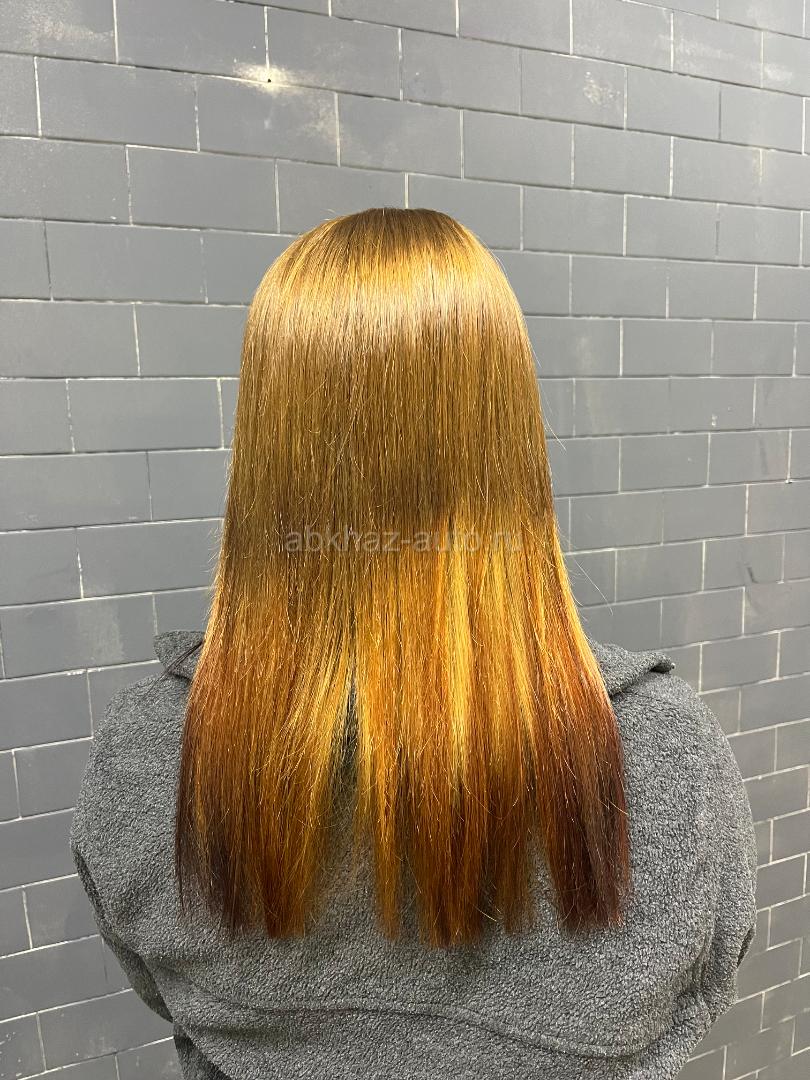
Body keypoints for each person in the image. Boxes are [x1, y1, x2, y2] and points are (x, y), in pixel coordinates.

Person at [71, 207, 758, 1080]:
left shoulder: (151, 758)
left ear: (268, 440)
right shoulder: (666, 762)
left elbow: (158, 982)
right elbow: (699, 986)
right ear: (507, 430)